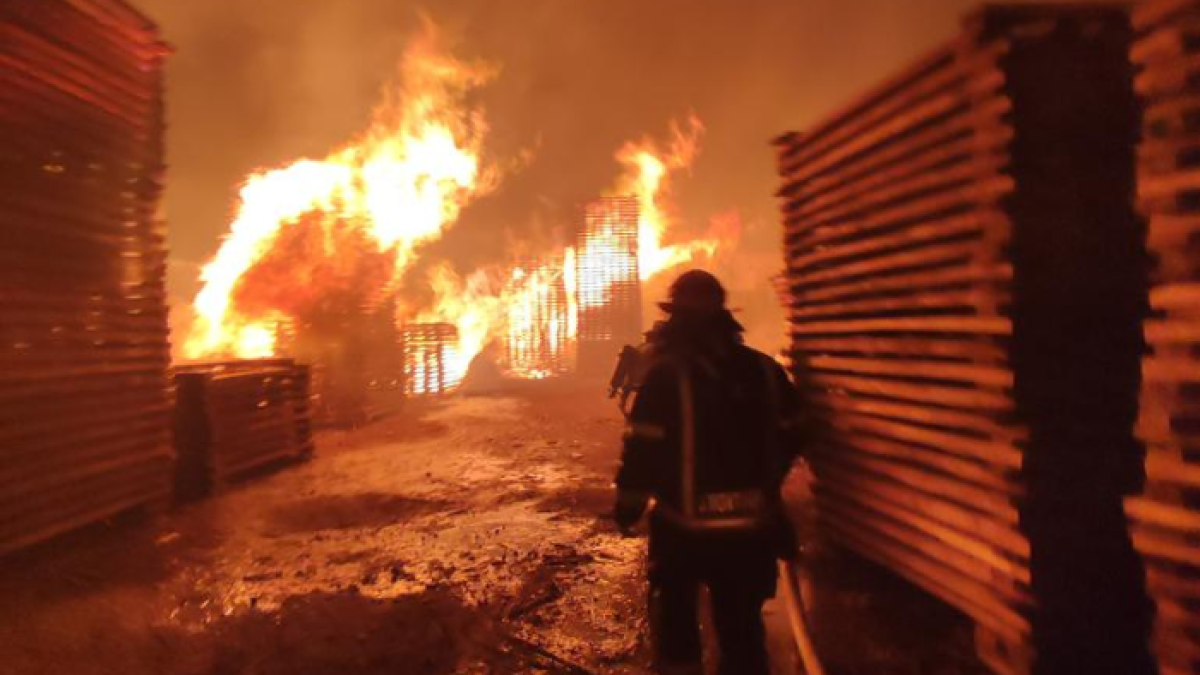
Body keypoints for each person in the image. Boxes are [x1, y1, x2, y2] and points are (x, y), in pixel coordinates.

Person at [613, 270, 808, 675]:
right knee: (742, 635)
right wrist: (767, 483)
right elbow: (795, 432)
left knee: (679, 636)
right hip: (752, 533)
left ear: (676, 320)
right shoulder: (764, 370)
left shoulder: (666, 377)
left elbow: (643, 450)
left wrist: (628, 505)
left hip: (684, 534)